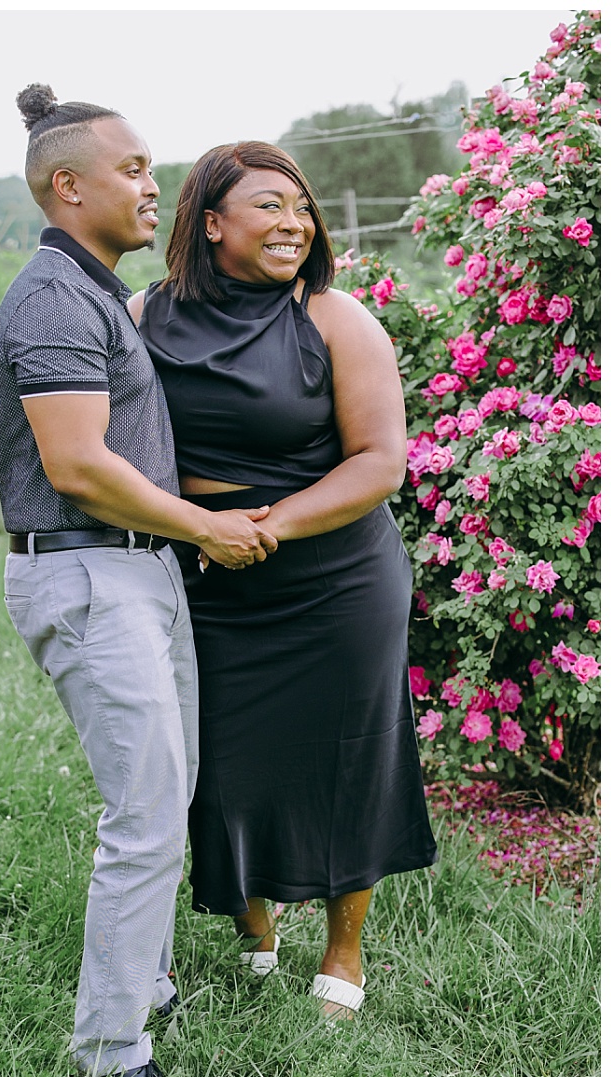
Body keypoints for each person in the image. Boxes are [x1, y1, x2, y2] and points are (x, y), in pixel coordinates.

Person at [0, 85, 276, 1077]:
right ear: (68, 187)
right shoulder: (54, 302)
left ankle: (142, 991)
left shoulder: (97, 292)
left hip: (136, 571)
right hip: (89, 569)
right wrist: (206, 532)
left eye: (152, 170)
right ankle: (112, 1060)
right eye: (134, 170)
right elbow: (76, 465)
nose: (152, 187)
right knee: (145, 814)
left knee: (170, 791)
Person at [132, 141, 438, 1020]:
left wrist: (265, 526)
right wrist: (202, 532)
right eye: (269, 205)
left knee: (352, 755)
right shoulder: (141, 316)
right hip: (206, 571)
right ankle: (255, 925)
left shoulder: (337, 318)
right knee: (221, 762)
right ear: (212, 220)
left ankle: (345, 948)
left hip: (336, 574)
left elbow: (381, 462)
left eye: (301, 207)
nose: (294, 221)